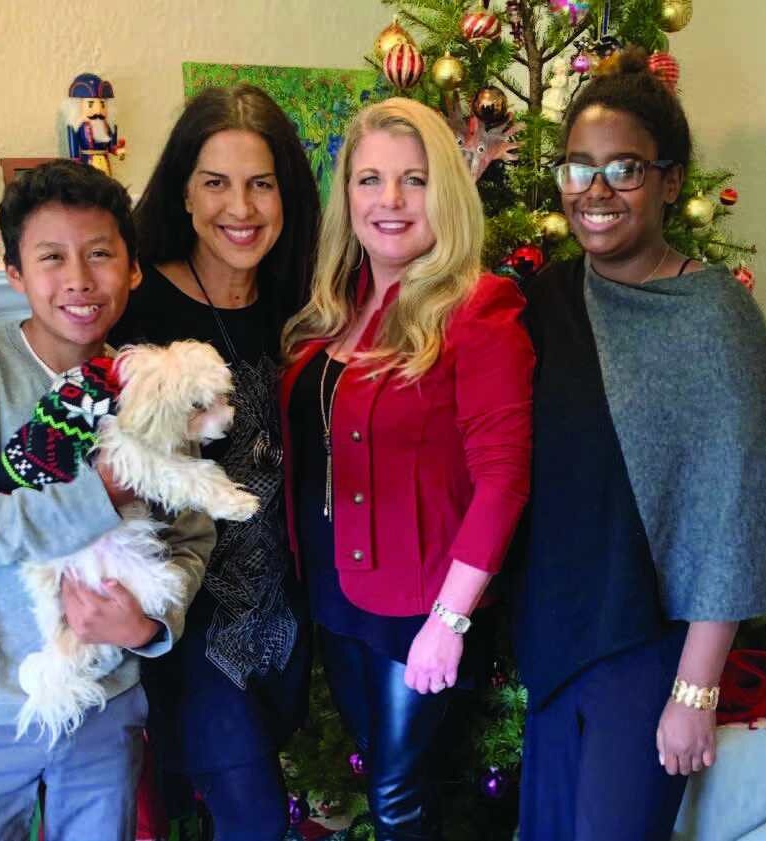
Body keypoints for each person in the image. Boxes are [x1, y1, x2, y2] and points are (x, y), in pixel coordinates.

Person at [509, 49, 766, 841]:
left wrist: (693, 693)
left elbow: (732, 516)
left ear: (671, 181)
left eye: (624, 167)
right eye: (577, 168)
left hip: (646, 651)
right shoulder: (547, 299)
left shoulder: (714, 318)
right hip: (557, 637)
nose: (595, 191)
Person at [0, 160, 214, 841]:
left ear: (131, 269)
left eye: (100, 254)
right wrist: (97, 495)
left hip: (101, 709)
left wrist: (150, 626)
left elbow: (191, 537)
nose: (78, 278)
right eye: (51, 257)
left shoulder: (149, 381)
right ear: (15, 273)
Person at [280, 97, 534, 840]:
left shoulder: (479, 307)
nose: (388, 201)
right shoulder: (337, 305)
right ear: (347, 197)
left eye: (413, 180)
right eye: (369, 180)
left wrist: (449, 621)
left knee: (397, 797)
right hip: (336, 593)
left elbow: (503, 477)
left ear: (445, 193)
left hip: (421, 604)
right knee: (389, 776)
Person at [109, 84, 320, 840]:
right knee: (254, 818)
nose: (242, 207)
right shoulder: (131, 307)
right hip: (185, 617)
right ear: (184, 194)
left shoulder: (300, 302)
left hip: (285, 611)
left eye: (261, 182)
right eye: (216, 182)